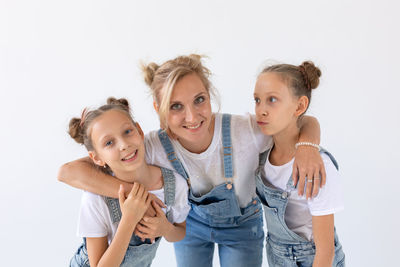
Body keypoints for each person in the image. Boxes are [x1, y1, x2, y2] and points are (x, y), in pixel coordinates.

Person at [58, 54, 326, 267]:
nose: (191, 116)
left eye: (199, 100)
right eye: (176, 106)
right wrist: (132, 194)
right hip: (191, 227)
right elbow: (68, 172)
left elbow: (302, 119)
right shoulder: (147, 145)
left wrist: (307, 145)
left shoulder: (244, 131)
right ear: (158, 109)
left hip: (242, 227)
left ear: (210, 96)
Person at [67, 97, 190, 267]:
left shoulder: (174, 184)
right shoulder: (95, 199)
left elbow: (180, 232)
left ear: (139, 131)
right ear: (96, 158)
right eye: (109, 142)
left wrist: (166, 229)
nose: (124, 145)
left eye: (127, 132)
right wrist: (128, 221)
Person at [254, 61, 345, 266]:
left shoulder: (317, 167)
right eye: (257, 100)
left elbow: (325, 251)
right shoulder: (262, 149)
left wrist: (308, 146)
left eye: (272, 100)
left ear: (300, 106)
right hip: (277, 255)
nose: (261, 110)